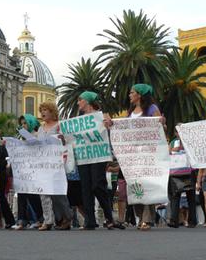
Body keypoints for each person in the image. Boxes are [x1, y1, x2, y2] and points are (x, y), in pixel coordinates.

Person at [74, 91, 121, 230]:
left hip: (99, 155)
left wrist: (110, 125)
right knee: (86, 187)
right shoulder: (79, 120)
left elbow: (112, 131)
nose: (78, 103)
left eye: (80, 100)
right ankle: (90, 220)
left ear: (87, 101)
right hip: (84, 156)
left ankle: (109, 216)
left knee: (97, 185)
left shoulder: (102, 116)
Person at [128, 84, 164, 231]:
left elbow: (160, 128)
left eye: (132, 92)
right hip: (133, 154)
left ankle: (147, 219)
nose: (129, 95)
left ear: (140, 95)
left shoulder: (152, 109)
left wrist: (162, 123)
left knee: (147, 185)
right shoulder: (130, 111)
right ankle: (140, 216)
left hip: (148, 153)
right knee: (135, 185)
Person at [36, 102, 73, 231]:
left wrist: (63, 139)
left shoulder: (59, 126)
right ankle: (48, 220)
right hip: (43, 164)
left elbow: (68, 141)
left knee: (57, 193)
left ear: (52, 112)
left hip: (56, 164)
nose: (43, 112)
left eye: (45, 110)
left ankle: (66, 217)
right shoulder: (41, 128)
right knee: (44, 193)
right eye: (42, 110)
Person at [13, 114, 44, 230]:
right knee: (21, 194)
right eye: (21, 124)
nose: (23, 126)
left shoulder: (37, 136)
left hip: (34, 170)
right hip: (22, 170)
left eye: (25, 123)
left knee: (32, 195)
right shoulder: (20, 138)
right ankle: (22, 220)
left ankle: (41, 218)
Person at [168, 128, 197, 228]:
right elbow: (167, 153)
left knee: (191, 197)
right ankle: (174, 220)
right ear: (176, 133)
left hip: (189, 172)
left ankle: (192, 221)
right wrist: (173, 150)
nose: (179, 133)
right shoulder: (173, 143)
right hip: (176, 173)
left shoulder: (191, 142)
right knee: (175, 197)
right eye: (177, 131)